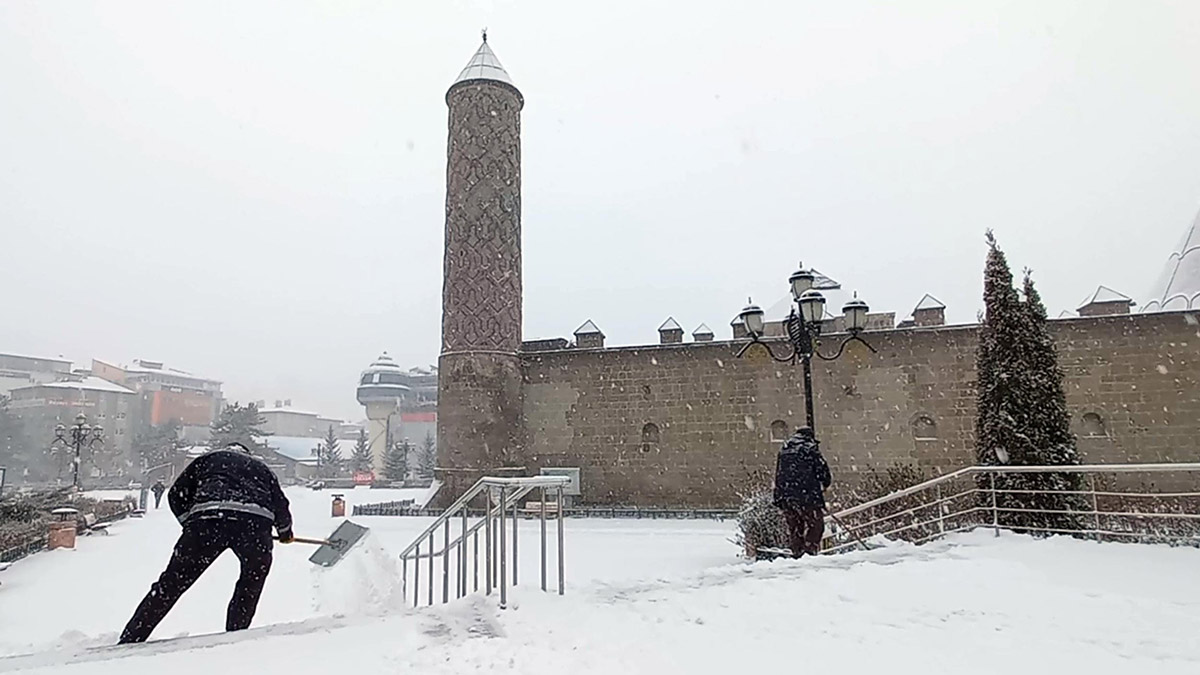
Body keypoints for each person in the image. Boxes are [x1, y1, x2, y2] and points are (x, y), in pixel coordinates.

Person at [119, 442, 294, 644]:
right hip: (254, 524)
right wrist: (284, 531)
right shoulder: (262, 468)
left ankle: (132, 637)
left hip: (207, 521)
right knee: (251, 581)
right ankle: (235, 634)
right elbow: (281, 504)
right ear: (247, 453)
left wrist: (190, 523)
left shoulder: (207, 460)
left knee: (171, 584)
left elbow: (176, 493)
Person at [772, 426, 832, 557]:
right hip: (807, 495)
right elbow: (822, 469)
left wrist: (778, 496)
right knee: (816, 525)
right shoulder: (809, 447)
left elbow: (779, 473)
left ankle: (797, 552)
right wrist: (826, 483)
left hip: (786, 496)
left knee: (795, 526)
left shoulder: (785, 448)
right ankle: (809, 551)